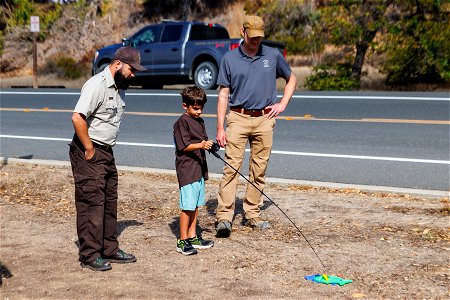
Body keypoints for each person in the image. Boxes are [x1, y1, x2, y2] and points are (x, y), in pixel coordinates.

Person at [215, 15, 298, 237]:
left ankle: (252, 213)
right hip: (238, 118)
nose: (255, 41)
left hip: (264, 119)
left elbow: (292, 79)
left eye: (259, 37)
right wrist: (220, 128)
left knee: (259, 169)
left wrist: (282, 104)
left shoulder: (272, 55)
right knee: (231, 167)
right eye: (252, 37)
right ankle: (224, 217)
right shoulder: (229, 58)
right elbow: (223, 94)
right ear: (243, 32)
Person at [69, 46, 146, 271]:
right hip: (89, 151)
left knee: (109, 202)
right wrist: (90, 149)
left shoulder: (119, 86)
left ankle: (109, 249)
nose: (134, 75)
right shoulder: (97, 85)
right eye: (132, 70)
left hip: (106, 152)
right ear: (118, 63)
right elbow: (77, 118)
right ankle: (90, 255)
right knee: (91, 204)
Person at [173, 86, 215, 255]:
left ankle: (192, 236)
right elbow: (184, 146)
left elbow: (203, 141)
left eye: (201, 108)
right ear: (185, 106)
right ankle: (182, 240)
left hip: (198, 168)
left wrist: (210, 145)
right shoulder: (181, 122)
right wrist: (201, 145)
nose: (199, 112)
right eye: (195, 108)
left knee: (196, 205)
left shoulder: (200, 121)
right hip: (187, 169)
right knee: (187, 207)